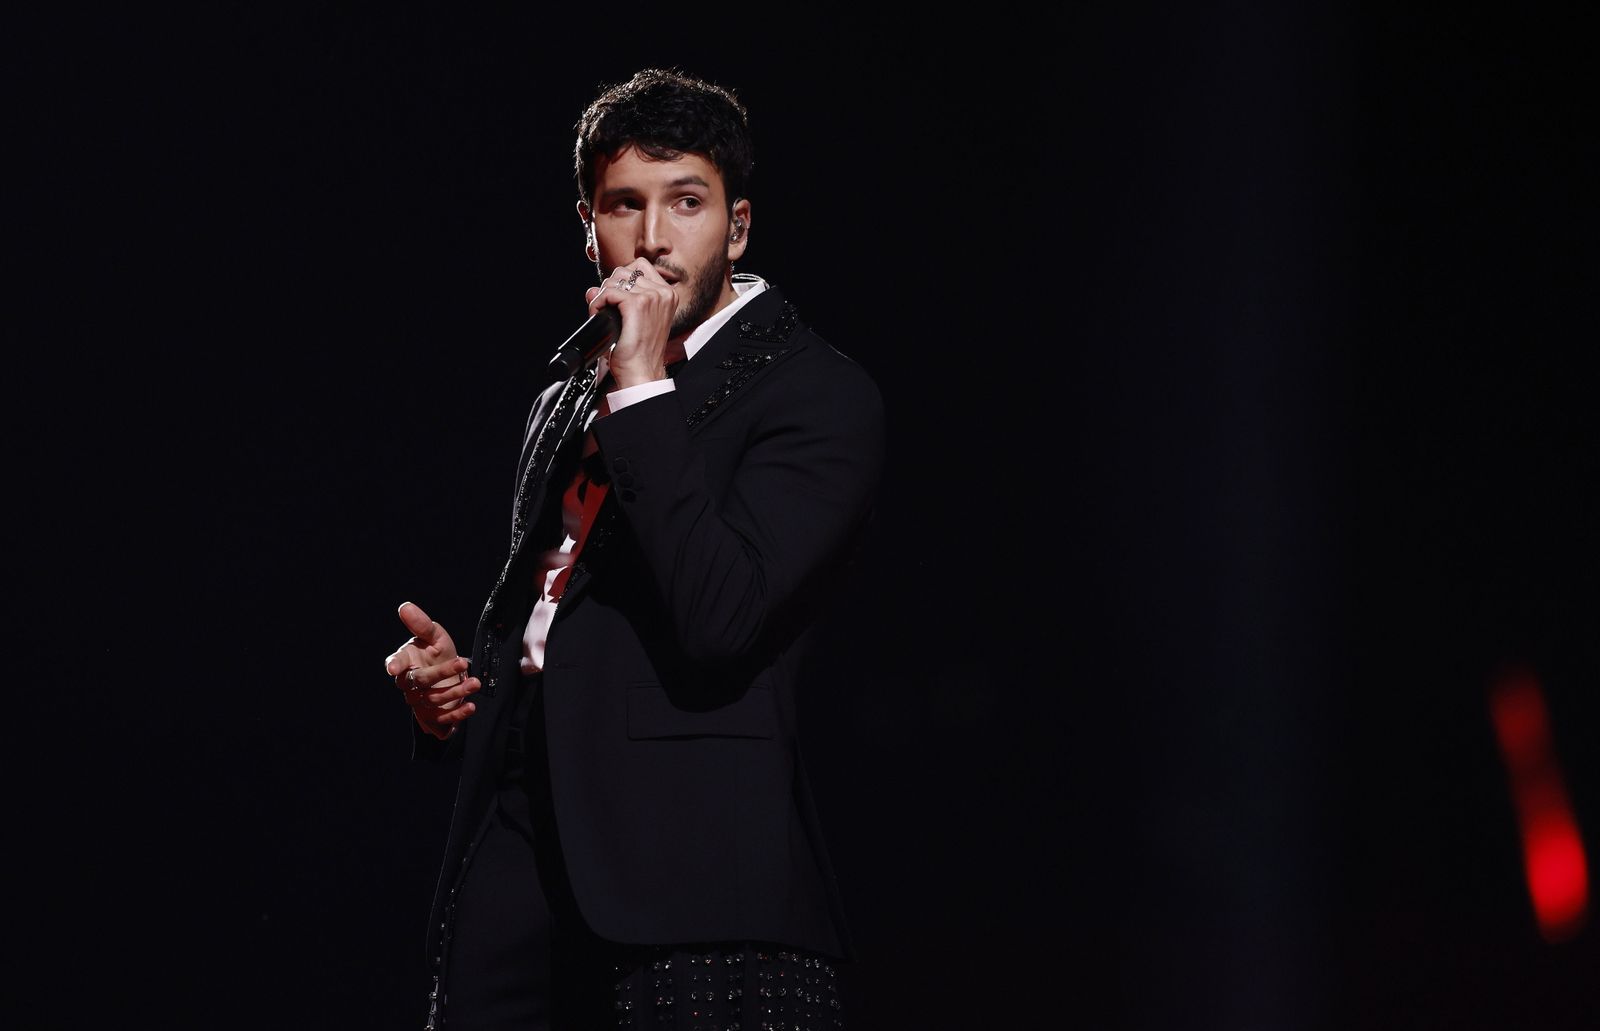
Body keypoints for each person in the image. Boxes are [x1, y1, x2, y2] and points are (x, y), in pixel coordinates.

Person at [383, 67, 884, 1030]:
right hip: (518, 844)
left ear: (736, 227)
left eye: (686, 203)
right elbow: (558, 610)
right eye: (626, 205)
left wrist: (645, 387)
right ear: (589, 225)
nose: (654, 239)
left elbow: (719, 615)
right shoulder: (566, 393)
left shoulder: (818, 395)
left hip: (689, 874)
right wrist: (454, 689)